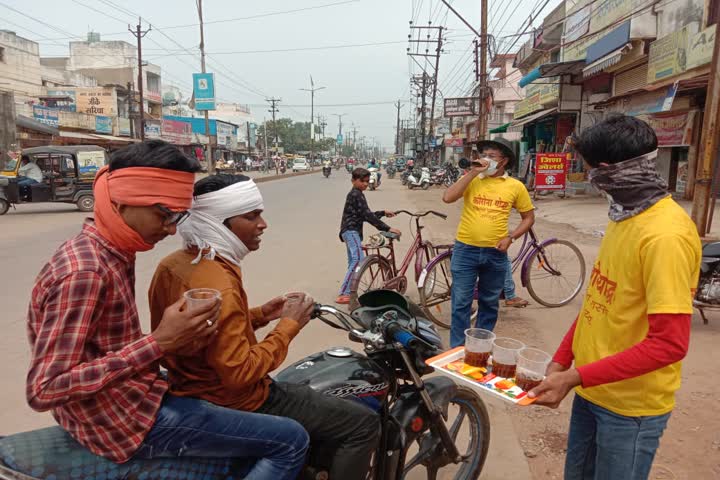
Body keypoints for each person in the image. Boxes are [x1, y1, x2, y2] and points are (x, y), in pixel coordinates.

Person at [26, 140, 309, 479]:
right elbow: (45, 388)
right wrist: (158, 343)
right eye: (164, 215)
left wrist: (259, 315)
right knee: (291, 440)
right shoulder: (86, 271)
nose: (173, 228)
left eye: (179, 217)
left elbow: (103, 346)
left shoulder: (114, 251)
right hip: (122, 421)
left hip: (133, 394)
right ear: (123, 201)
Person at [148, 174, 380, 479]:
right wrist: (288, 326)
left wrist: (259, 314)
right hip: (238, 400)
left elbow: (201, 331)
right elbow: (239, 372)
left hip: (188, 390)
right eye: (251, 215)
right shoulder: (220, 281)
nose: (263, 224)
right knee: (362, 424)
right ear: (220, 223)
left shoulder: (173, 265)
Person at [527, 115, 701, 480]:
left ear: (607, 171)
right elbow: (599, 302)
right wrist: (563, 362)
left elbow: (669, 344)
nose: (590, 178)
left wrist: (575, 377)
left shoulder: (664, 236)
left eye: (589, 170)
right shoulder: (625, 216)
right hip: (592, 390)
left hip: (629, 408)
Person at [442, 139, 535, 347]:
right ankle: (457, 350)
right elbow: (448, 197)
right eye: (483, 154)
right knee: (461, 303)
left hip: (495, 253)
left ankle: (479, 348)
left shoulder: (515, 187)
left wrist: (511, 237)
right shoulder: (472, 179)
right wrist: (473, 172)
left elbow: (528, 218)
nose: (486, 159)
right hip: (466, 250)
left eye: (491, 156)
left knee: (489, 303)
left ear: (504, 162)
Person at [337, 167, 401, 304]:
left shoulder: (357, 193)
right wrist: (388, 228)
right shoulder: (356, 194)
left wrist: (383, 212)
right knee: (358, 260)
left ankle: (348, 290)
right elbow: (367, 215)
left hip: (350, 231)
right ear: (353, 180)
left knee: (353, 262)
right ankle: (344, 293)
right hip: (351, 230)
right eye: (362, 181)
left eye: (367, 181)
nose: (365, 184)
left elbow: (366, 214)